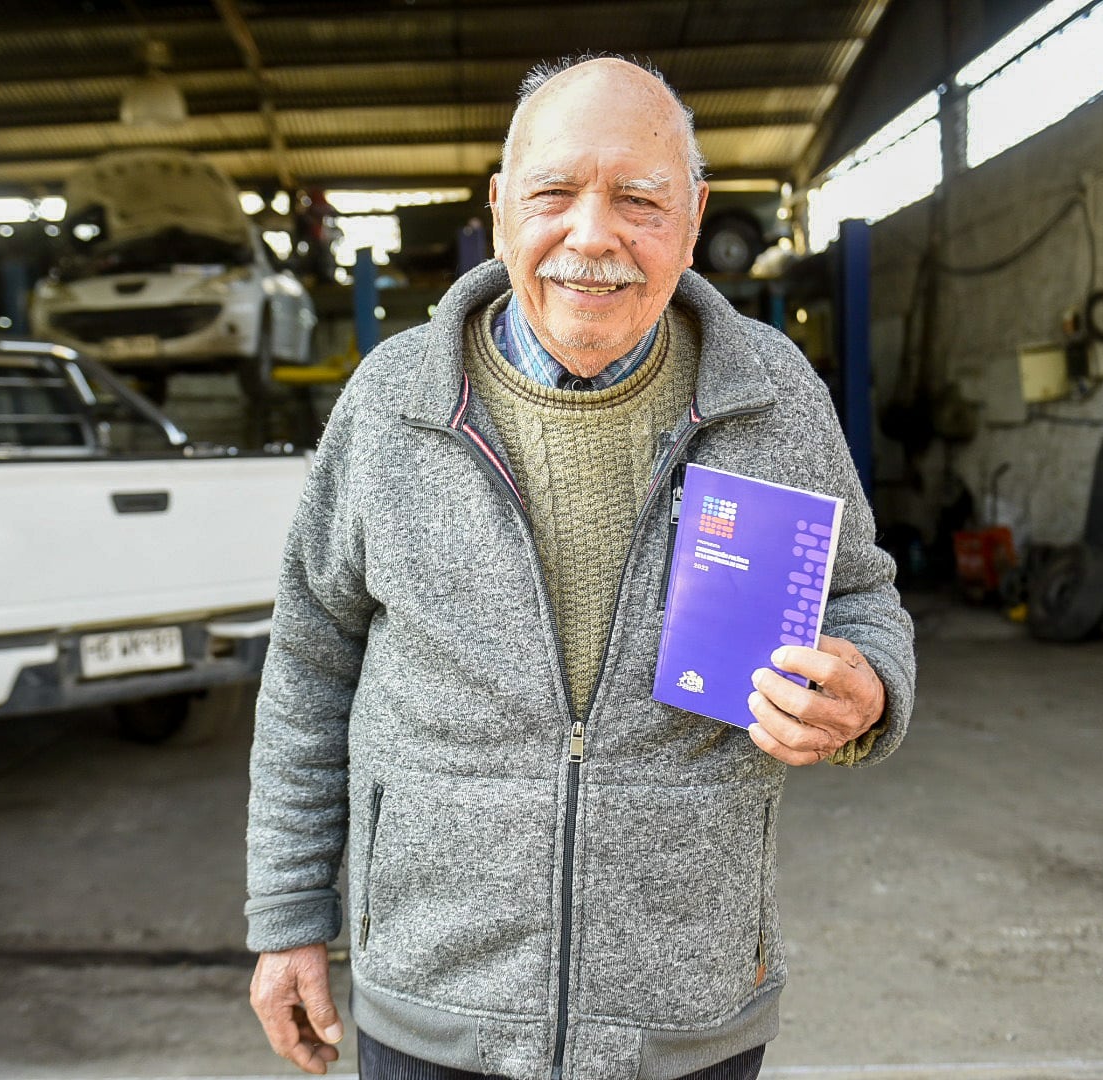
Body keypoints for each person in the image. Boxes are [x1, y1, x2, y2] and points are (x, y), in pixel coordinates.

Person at [245, 56, 915, 1080]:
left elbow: (862, 595)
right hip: (432, 1004)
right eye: (555, 194)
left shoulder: (774, 397)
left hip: (683, 1013)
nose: (592, 235)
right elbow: (308, 662)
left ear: (693, 220)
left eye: (638, 200)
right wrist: (289, 916)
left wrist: (865, 692)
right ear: (503, 208)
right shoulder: (392, 405)